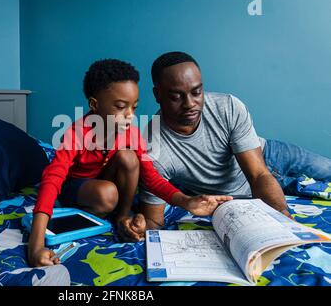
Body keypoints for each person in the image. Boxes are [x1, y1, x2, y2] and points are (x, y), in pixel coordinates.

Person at [28, 59, 232, 267]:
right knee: (107, 193)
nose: (130, 116)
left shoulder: (131, 134)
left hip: (109, 186)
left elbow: (151, 178)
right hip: (79, 189)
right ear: (94, 104)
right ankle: (111, 211)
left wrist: (186, 201)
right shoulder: (76, 133)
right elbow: (52, 179)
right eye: (120, 107)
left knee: (128, 157)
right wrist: (35, 246)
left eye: (134, 107)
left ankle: (122, 217)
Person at [138, 51, 331, 229]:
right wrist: (136, 227)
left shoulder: (228, 107)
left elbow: (258, 174)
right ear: (158, 95)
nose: (190, 104)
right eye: (176, 96)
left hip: (269, 157)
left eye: (197, 92)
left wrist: (281, 216)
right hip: (242, 191)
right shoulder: (152, 147)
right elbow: (154, 221)